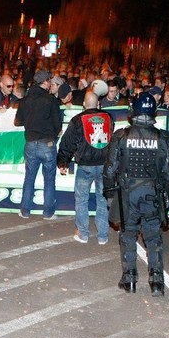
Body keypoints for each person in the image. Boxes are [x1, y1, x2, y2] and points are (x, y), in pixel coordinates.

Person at [103, 92, 169, 296]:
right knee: (153, 237)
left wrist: (110, 196)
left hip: (128, 193)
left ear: (133, 111)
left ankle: (130, 279)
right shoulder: (163, 138)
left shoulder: (121, 136)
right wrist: (167, 198)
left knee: (128, 235)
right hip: (153, 193)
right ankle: (157, 282)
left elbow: (109, 169)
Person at [57, 92, 113, 244]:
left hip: (85, 166)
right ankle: (102, 236)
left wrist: (63, 163)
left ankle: (83, 233)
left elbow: (67, 143)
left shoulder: (77, 120)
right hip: (104, 164)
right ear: (98, 104)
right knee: (103, 200)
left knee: (81, 200)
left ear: (83, 104)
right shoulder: (108, 118)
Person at [14, 70, 62, 220]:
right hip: (47, 144)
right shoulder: (51, 100)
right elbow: (57, 124)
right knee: (49, 179)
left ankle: (25, 210)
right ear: (46, 82)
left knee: (29, 177)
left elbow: (17, 122)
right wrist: (55, 133)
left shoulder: (25, 100)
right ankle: (48, 212)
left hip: (30, 143)